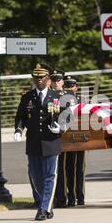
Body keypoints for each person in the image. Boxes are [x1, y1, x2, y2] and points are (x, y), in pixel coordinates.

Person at [13, 63, 65, 221]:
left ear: (48, 79)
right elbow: (20, 116)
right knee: (35, 176)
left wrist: (60, 128)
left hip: (51, 142)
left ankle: (44, 208)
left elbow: (66, 117)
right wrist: (18, 130)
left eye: (42, 77)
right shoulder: (27, 97)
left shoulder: (56, 97)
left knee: (50, 176)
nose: (39, 80)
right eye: (36, 77)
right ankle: (47, 204)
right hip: (34, 142)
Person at [62, 75, 87, 206]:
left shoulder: (81, 100)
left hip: (80, 138)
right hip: (67, 138)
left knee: (80, 168)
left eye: (72, 86)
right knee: (69, 168)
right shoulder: (60, 100)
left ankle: (80, 196)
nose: (69, 88)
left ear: (76, 87)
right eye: (67, 86)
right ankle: (70, 196)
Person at [50, 69, 69, 208]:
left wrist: (61, 127)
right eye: (54, 80)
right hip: (48, 134)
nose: (56, 82)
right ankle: (52, 197)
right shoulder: (48, 94)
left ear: (62, 81)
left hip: (62, 134)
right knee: (51, 170)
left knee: (61, 169)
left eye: (58, 80)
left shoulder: (67, 96)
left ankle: (62, 198)